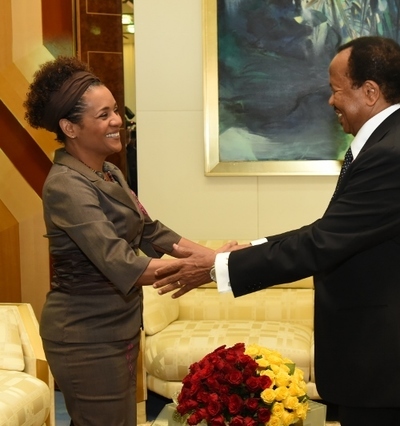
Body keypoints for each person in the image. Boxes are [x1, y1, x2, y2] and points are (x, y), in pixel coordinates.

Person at [154, 36, 400, 426]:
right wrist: (250, 249)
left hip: (392, 355)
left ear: (369, 92)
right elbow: (335, 230)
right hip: (383, 352)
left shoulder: (394, 152)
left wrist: (219, 266)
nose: (331, 101)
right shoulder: (393, 140)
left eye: (336, 90)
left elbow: (322, 243)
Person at [23, 56, 234, 426]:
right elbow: (119, 261)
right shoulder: (66, 186)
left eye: (115, 111)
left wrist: (216, 258)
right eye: (103, 115)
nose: (117, 121)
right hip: (85, 335)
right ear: (70, 128)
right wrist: (205, 268)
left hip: (118, 325)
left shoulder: (107, 172)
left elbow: (151, 232)